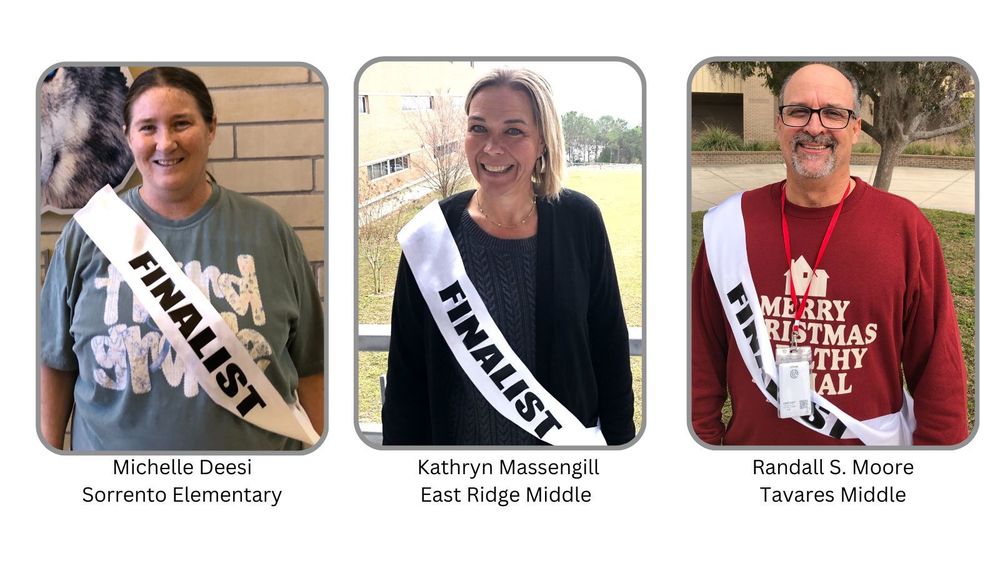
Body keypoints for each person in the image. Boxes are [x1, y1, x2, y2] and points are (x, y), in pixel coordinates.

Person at [40, 67, 324, 451]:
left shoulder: (270, 232)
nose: (165, 143)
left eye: (181, 123)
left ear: (211, 128)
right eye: (147, 128)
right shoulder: (86, 235)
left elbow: (310, 368)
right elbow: (56, 364)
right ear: (127, 136)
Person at [691, 63, 968, 446]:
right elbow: (699, 361)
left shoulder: (905, 228)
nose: (815, 127)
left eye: (834, 113)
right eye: (798, 111)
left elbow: (940, 372)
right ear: (779, 123)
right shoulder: (729, 226)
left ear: (856, 128)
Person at [381, 68, 635, 446]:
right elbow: (407, 378)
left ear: (543, 143)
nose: (492, 147)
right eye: (478, 128)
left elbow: (610, 350)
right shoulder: (432, 236)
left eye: (513, 130)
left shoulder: (580, 221)